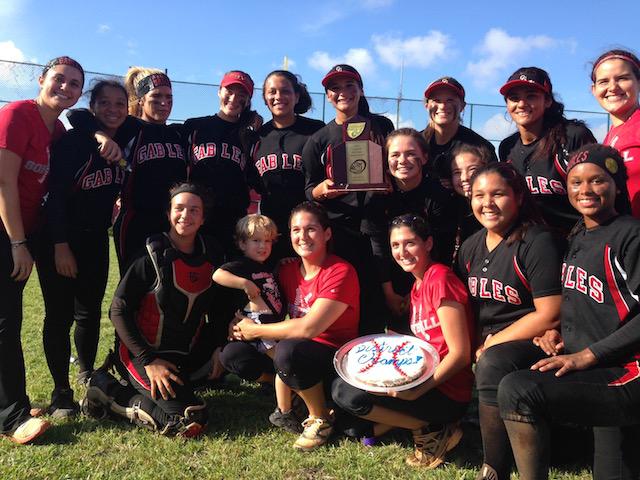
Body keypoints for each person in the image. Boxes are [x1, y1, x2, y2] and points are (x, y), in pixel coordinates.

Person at [497, 144, 640, 480]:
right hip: (602, 371)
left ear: (617, 185)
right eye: (576, 183)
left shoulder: (630, 233)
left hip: (628, 370)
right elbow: (590, 303)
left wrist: (586, 355)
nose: (585, 190)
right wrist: (559, 334)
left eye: (597, 181)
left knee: (518, 389)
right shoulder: (579, 232)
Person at [332, 214, 474, 468]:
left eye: (410, 243)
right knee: (351, 421)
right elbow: (429, 341)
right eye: (395, 245)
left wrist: (419, 389)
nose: (402, 252)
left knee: (346, 394)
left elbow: (460, 353)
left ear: (428, 243)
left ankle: (432, 428)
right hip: (423, 380)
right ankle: (425, 424)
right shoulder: (418, 286)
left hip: (447, 391)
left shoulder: (440, 279)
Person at [84, 183, 223, 437]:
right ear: (169, 212)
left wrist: (217, 349)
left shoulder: (212, 253)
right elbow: (118, 309)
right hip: (143, 353)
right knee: (184, 419)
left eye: (194, 210)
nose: (185, 216)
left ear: (203, 218)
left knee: (193, 411)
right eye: (179, 208)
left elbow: (219, 310)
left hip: (184, 354)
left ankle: (136, 388)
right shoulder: (151, 254)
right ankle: (106, 389)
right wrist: (148, 360)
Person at [454, 163, 563, 480]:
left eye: (498, 193)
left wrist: (490, 344)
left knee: (493, 362)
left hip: (534, 341)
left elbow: (550, 312)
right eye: (478, 195)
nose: (487, 203)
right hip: (490, 342)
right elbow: (471, 308)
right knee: (486, 358)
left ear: (517, 196)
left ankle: (494, 467)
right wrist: (472, 344)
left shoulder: (537, 240)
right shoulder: (471, 246)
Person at [226, 201, 360, 451]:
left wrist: (255, 331)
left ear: (327, 233)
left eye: (311, 229)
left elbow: (309, 328)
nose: (302, 236)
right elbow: (264, 301)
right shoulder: (286, 269)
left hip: (331, 353)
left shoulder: (340, 271)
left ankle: (320, 417)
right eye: (296, 230)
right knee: (234, 354)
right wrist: (239, 322)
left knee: (289, 350)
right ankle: (298, 393)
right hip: (296, 351)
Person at [0, 56, 84, 444]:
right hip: (7, 231)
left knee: (10, 321)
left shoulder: (59, 131)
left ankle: (12, 401)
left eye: (74, 84)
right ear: (41, 79)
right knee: (5, 323)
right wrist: (18, 242)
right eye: (59, 80)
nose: (65, 88)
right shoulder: (17, 114)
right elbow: (4, 183)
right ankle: (11, 416)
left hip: (28, 232)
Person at [36, 79, 128, 418]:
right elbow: (56, 197)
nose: (113, 109)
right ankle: (61, 391)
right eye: (105, 103)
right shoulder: (74, 141)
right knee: (59, 315)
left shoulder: (126, 136)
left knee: (89, 312)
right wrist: (60, 246)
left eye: (121, 103)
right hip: (60, 237)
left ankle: (87, 374)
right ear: (94, 107)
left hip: (94, 240)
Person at [67, 66, 188, 274]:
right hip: (136, 222)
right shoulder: (129, 127)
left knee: (169, 288)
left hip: (172, 223)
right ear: (140, 100)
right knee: (135, 288)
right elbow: (76, 115)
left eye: (169, 97)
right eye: (156, 96)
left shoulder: (178, 133)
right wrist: (101, 135)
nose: (164, 103)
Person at [302, 64, 393, 335]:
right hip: (340, 227)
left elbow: (394, 164)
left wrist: (390, 182)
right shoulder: (318, 139)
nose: (343, 92)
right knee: (344, 297)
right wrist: (322, 190)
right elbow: (308, 189)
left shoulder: (381, 126)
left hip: (378, 223)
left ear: (361, 90)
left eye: (349, 86)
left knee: (377, 294)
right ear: (328, 96)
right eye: (335, 88)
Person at [212, 214, 299, 433]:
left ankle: (289, 391)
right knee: (281, 360)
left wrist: (280, 264)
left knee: (283, 359)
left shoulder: (269, 264)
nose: (263, 246)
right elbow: (218, 275)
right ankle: (290, 401)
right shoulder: (241, 265)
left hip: (273, 324)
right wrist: (244, 284)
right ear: (242, 243)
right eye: (256, 241)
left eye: (267, 241)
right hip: (257, 324)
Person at [363, 128, 455, 332]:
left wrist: (418, 290)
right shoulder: (378, 193)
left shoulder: (438, 195)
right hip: (386, 278)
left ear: (424, 157)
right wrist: (389, 293)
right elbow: (377, 247)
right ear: (386, 160)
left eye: (411, 153)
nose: (403, 160)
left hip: (426, 277)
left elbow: (442, 249)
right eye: (395, 155)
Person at [498, 66, 596, 234]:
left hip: (575, 240)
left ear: (548, 101)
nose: (521, 104)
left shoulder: (572, 136)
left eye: (531, 96)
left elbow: (599, 192)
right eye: (514, 98)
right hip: (530, 243)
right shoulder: (507, 147)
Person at [183, 70, 260, 260]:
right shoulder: (194, 127)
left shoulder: (250, 135)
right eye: (229, 90)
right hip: (198, 217)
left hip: (232, 219)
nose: (234, 98)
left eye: (242, 94)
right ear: (219, 91)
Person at [254, 70, 325, 262]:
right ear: (265, 98)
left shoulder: (315, 130)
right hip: (272, 232)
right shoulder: (258, 136)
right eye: (272, 91)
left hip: (309, 230)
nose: (278, 97)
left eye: (285, 91)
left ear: (297, 95)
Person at [590, 49, 640, 218]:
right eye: (603, 81)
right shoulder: (608, 139)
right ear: (594, 89)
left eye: (622, 78)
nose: (612, 87)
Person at [421, 76, 497, 181]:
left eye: (450, 100)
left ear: (462, 105)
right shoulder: (417, 143)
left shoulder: (480, 147)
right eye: (436, 100)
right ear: (427, 106)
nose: (443, 106)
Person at [448, 143, 493, 259]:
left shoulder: (494, 209)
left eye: (472, 169)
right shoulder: (449, 207)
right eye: (457, 172)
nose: (464, 177)